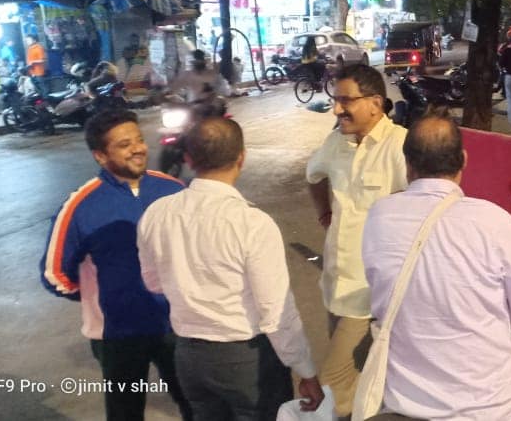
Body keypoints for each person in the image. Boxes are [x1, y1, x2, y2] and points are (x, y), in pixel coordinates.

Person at [361, 111, 511, 420]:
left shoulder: (379, 216)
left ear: (407, 163)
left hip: (406, 404)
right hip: (492, 407)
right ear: (463, 160)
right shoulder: (492, 220)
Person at [138, 117, 325, 420]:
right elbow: (276, 312)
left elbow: (153, 283)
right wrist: (305, 369)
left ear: (187, 158)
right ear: (242, 157)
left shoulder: (157, 214)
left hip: (188, 357)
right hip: (245, 362)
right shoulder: (252, 224)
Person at [39, 109, 192, 421]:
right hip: (118, 336)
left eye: (138, 139)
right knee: (125, 412)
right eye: (124, 145)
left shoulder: (173, 190)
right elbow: (55, 274)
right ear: (100, 155)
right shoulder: (81, 206)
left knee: (194, 404)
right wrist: (101, 299)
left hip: (177, 325)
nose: (138, 148)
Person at [306, 63, 409, 419]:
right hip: (335, 285)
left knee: (331, 385)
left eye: (346, 100)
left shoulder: (399, 147)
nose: (337, 109)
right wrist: (324, 213)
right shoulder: (337, 142)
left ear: (375, 104)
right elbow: (313, 176)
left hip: (371, 294)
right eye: (335, 100)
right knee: (359, 383)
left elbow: (422, 211)